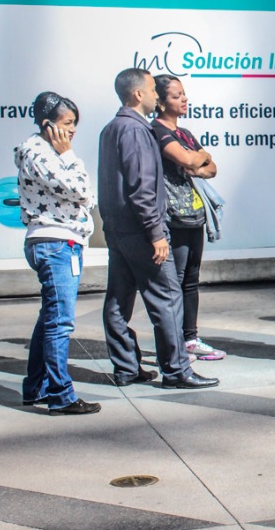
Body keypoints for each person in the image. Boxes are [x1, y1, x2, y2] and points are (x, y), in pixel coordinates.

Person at [99, 68, 218, 389]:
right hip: (142, 231)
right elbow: (142, 187)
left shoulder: (111, 128)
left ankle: (126, 367)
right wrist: (155, 233)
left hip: (118, 230)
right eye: (153, 89)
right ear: (138, 94)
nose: (156, 95)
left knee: (117, 301)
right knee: (167, 297)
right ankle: (177, 370)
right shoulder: (137, 132)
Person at [14, 92, 101, 415]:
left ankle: (35, 387)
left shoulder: (45, 152)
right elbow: (82, 192)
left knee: (49, 319)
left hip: (59, 242)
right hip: (55, 243)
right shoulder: (41, 154)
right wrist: (68, 155)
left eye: (75, 124)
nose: (72, 131)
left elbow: (86, 198)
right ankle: (60, 395)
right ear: (49, 125)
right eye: (67, 124)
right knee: (60, 323)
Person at [151, 75, 225, 362]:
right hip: (173, 217)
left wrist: (198, 159)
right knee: (175, 281)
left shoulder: (185, 134)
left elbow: (211, 169)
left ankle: (190, 339)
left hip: (195, 214)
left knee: (191, 280)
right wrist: (199, 157)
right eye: (176, 95)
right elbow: (193, 162)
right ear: (159, 101)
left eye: (184, 94)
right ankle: (173, 345)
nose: (184, 99)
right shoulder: (156, 131)